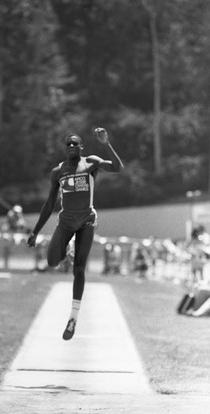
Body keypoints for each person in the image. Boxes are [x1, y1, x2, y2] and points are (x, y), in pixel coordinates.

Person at [27, 127, 124, 340]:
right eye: (68, 144)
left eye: (75, 143)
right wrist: (35, 231)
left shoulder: (90, 162)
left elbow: (117, 168)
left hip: (87, 221)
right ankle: (67, 248)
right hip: (66, 222)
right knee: (52, 261)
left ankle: (73, 317)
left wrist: (106, 143)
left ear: (82, 147)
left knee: (79, 269)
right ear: (65, 149)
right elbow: (49, 203)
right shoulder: (58, 172)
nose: (71, 146)